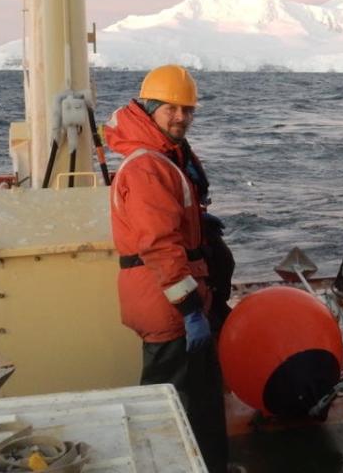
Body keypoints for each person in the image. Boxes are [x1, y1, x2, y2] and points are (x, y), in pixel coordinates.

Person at [105, 64, 239, 473]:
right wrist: (190, 310)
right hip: (169, 305)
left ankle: (209, 467)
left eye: (187, 110)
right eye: (170, 109)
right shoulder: (148, 166)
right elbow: (159, 245)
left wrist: (198, 222)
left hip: (172, 299)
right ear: (149, 108)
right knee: (172, 403)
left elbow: (169, 223)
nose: (180, 117)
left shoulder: (162, 157)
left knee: (196, 397)